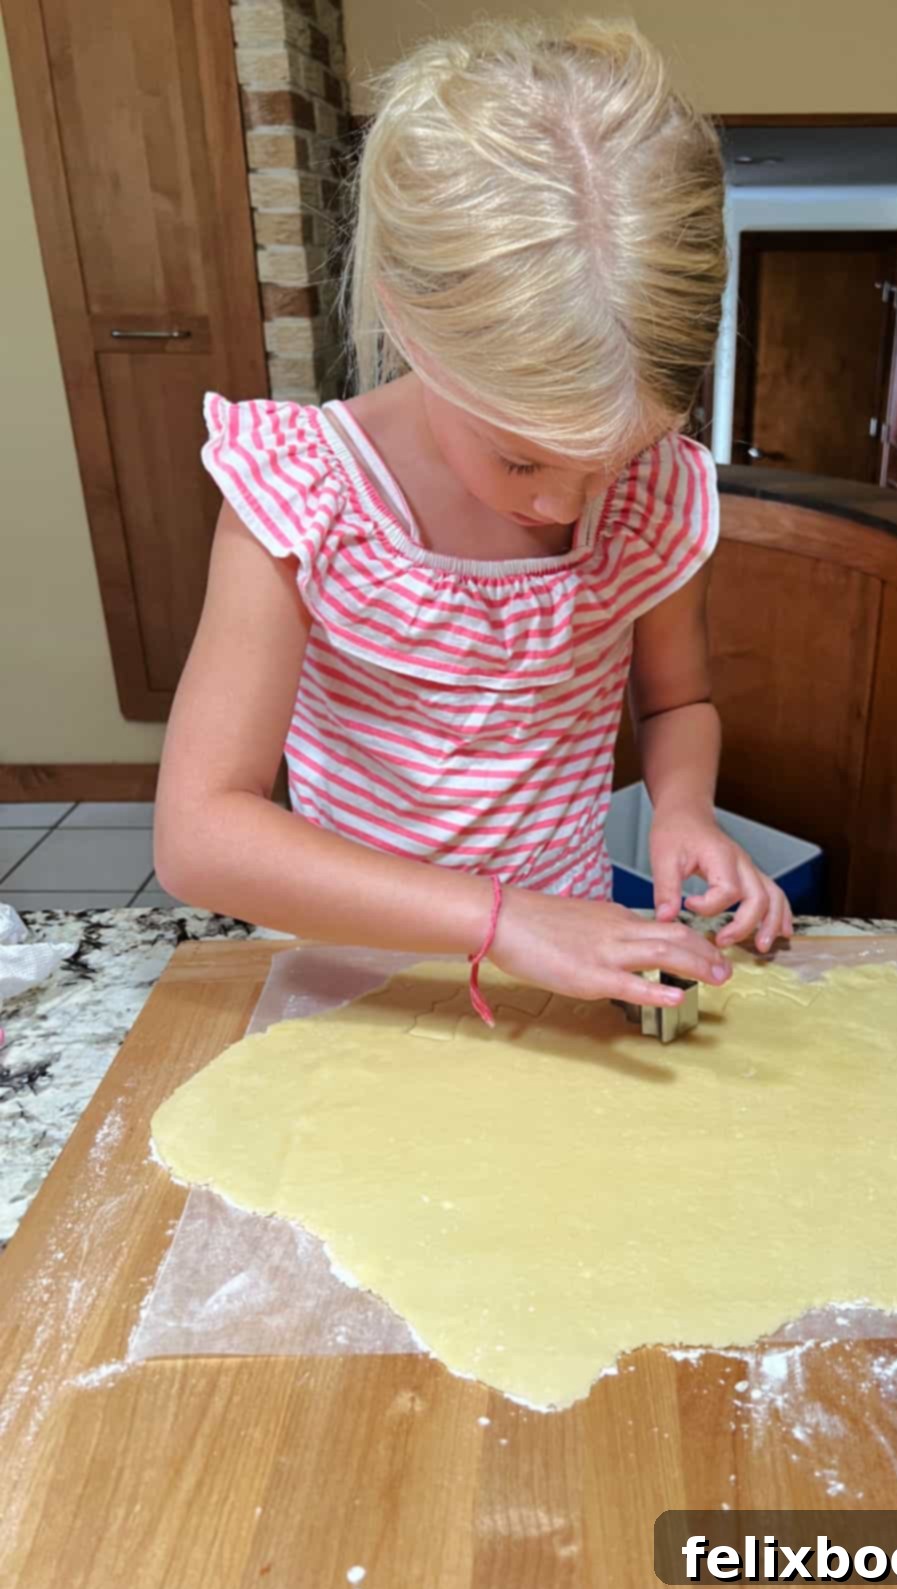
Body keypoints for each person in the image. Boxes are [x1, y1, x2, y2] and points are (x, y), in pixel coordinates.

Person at [155, 16, 791, 1018]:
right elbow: (200, 836)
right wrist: (501, 919)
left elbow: (676, 704)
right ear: (408, 316)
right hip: (363, 967)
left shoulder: (654, 493)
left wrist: (682, 811)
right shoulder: (303, 497)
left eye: (614, 457)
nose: (566, 504)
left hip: (571, 958)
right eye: (520, 456)